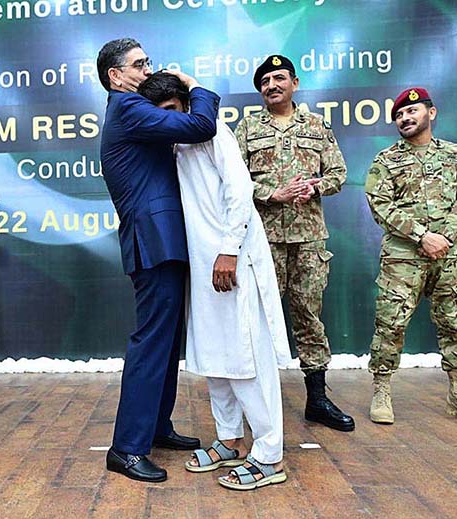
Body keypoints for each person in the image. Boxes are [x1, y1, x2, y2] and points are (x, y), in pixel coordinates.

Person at [138, 72, 292, 491]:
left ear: (186, 105)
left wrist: (229, 250)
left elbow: (239, 191)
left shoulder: (212, 132)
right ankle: (229, 439)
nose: (169, 120)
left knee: (247, 356)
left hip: (233, 259)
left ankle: (270, 455)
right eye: (160, 115)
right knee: (215, 356)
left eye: (173, 110)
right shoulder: (172, 145)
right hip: (203, 267)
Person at [97, 38, 220, 482]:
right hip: (154, 242)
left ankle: (156, 427)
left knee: (166, 345)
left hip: (165, 242)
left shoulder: (131, 109)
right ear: (116, 76)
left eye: (147, 62)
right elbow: (201, 124)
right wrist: (194, 85)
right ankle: (127, 449)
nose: (148, 70)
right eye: (139, 64)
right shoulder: (128, 108)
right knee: (151, 344)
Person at [234, 54, 354, 432]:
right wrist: (272, 194)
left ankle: (317, 400)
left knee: (309, 317)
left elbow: (338, 174)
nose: (272, 85)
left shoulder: (316, 126)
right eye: (265, 82)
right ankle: (256, 402)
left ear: (294, 83)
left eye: (279, 78)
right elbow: (234, 181)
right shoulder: (248, 128)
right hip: (263, 240)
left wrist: (314, 187)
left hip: (309, 239)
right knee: (258, 320)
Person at [365, 87, 457, 425]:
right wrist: (422, 235)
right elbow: (380, 204)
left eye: (412, 111)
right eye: (399, 115)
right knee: (390, 324)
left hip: (448, 255)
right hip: (402, 258)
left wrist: (445, 235)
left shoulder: (453, 155)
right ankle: (381, 390)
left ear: (430, 113)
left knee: (455, 323)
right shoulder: (386, 160)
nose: (405, 118)